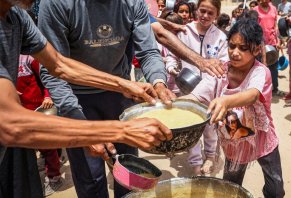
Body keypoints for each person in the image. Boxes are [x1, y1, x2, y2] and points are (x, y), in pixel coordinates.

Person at [0, 1, 172, 198]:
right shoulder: (57, 4)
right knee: (91, 179)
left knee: (130, 175)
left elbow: (58, 64)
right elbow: (9, 124)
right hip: (75, 101)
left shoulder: (17, 16)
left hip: (12, 150)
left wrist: (123, 84)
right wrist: (120, 129)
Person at [186, 18, 285, 198]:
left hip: (263, 140)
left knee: (276, 189)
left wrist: (225, 101)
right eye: (232, 46)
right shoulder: (220, 70)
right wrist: (177, 103)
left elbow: (253, 94)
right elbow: (197, 95)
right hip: (233, 142)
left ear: (256, 49)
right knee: (230, 189)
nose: (235, 53)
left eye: (243, 48)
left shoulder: (260, 72)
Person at [166, 0, 228, 176]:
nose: (205, 16)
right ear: (196, 10)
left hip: (211, 93)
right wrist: (172, 69)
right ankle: (195, 164)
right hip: (187, 89)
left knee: (210, 128)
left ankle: (210, 157)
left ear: (216, 15)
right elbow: (172, 56)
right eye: (203, 11)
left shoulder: (221, 38)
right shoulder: (184, 32)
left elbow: (224, 66)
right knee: (192, 128)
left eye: (210, 13)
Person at [17, 55, 63, 196]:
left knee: (46, 145)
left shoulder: (28, 58)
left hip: (38, 108)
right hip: (19, 110)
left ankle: (54, 177)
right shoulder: (5, 59)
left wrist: (48, 96)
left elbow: (47, 76)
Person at [252, 0, 282, 96]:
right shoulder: (255, 10)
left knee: (273, 67)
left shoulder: (273, 8)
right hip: (260, 44)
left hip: (272, 42)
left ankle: (274, 88)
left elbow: (276, 26)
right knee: (260, 67)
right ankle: (261, 88)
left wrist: (278, 40)